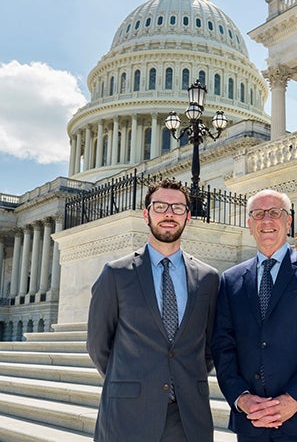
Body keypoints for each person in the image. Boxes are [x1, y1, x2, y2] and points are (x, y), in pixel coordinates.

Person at [87, 178, 220, 442]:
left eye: (178, 208)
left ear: (188, 217)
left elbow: (210, 346)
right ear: (146, 214)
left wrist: (178, 377)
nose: (169, 214)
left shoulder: (208, 278)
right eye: (160, 206)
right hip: (128, 414)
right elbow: (98, 345)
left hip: (188, 418)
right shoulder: (116, 274)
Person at [211, 188, 297, 442]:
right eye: (258, 214)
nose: (267, 220)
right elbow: (222, 346)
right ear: (249, 225)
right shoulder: (231, 279)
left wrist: (294, 400)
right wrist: (241, 398)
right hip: (252, 421)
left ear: (288, 221)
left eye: (275, 212)